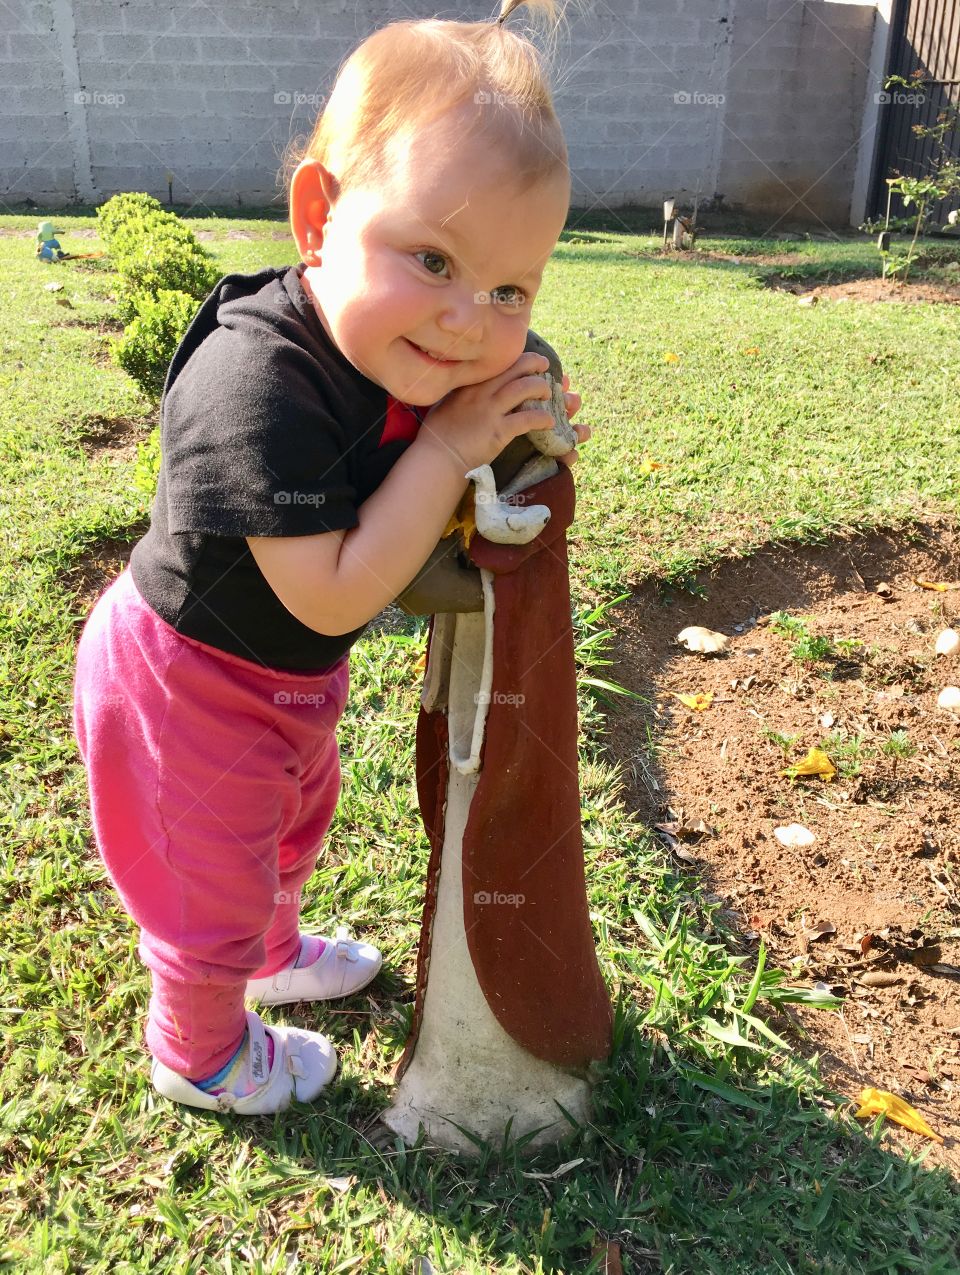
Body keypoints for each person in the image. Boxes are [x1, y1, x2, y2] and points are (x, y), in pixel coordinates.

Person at [73, 0, 591, 1116]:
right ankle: (199, 1047)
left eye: (509, 287)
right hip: (189, 685)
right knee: (208, 875)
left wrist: (527, 395)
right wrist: (456, 444)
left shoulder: (401, 335)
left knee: (293, 820)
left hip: (290, 680)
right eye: (436, 258)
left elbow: (511, 363)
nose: (467, 322)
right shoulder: (255, 385)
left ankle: (271, 945)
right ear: (319, 215)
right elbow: (335, 588)